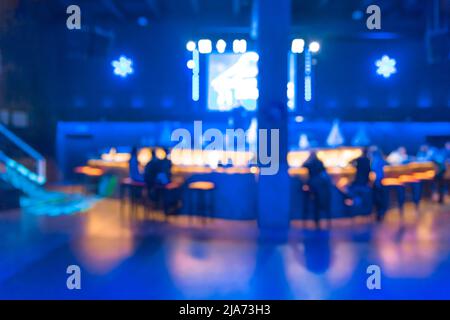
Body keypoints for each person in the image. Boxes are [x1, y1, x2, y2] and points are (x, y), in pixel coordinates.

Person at [371, 148, 388, 221]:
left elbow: (373, 169)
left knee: (377, 196)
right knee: (381, 195)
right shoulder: (381, 159)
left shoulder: (375, 160)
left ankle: (379, 212)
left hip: (377, 180)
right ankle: (382, 211)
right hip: (381, 180)